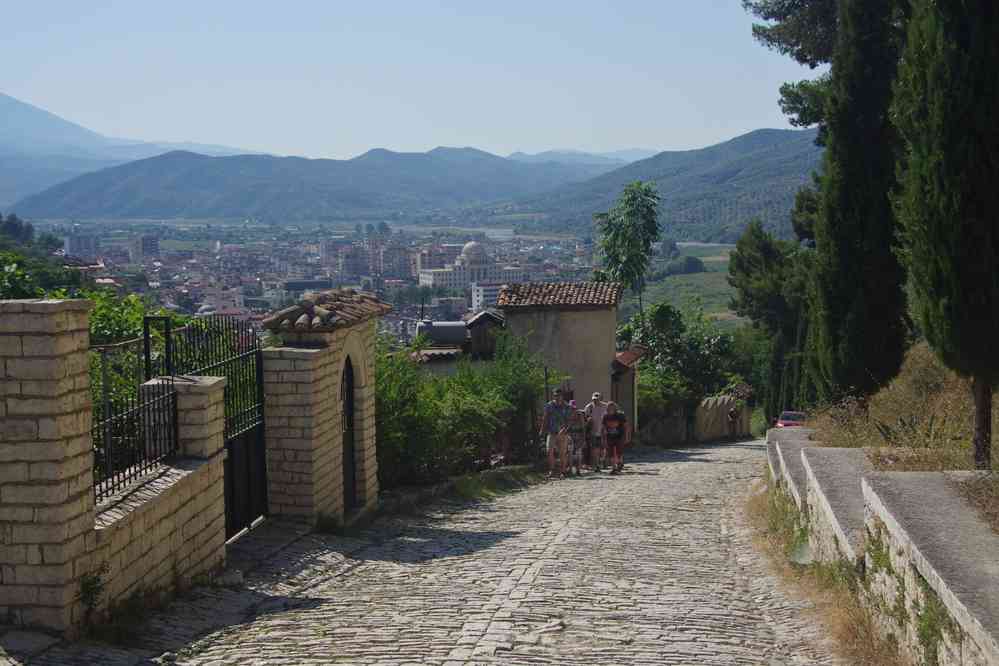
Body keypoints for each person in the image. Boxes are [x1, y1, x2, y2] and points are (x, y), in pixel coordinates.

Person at [539, 388, 572, 478]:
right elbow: (545, 418)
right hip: (552, 432)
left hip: (563, 433)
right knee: (549, 450)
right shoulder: (549, 405)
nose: (557, 397)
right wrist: (542, 429)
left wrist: (565, 429)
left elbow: (569, 421)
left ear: (562, 396)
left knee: (562, 453)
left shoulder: (567, 406)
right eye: (555, 395)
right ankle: (552, 470)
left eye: (559, 395)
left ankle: (563, 471)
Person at [602, 401, 630, 474]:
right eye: (609, 407)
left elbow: (626, 426)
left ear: (615, 408)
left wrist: (626, 437)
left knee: (619, 452)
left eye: (612, 407)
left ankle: (620, 463)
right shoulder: (605, 416)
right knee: (610, 453)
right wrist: (604, 438)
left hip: (620, 436)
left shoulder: (620, 415)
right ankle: (614, 468)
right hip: (610, 436)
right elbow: (604, 427)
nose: (610, 408)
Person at [584, 392, 608, 471]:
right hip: (593, 431)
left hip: (604, 431)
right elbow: (585, 418)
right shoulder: (589, 407)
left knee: (603, 448)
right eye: (594, 399)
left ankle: (602, 461)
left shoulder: (605, 406)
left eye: (597, 399)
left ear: (601, 399)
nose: (595, 401)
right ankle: (597, 465)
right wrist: (588, 420)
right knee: (595, 449)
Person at [566, 400, 587, 476]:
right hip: (570, 436)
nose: (572, 409)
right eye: (571, 408)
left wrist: (583, 438)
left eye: (573, 408)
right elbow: (566, 427)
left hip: (578, 436)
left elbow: (583, 428)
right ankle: (571, 469)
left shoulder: (580, 415)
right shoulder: (567, 415)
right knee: (570, 453)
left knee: (578, 453)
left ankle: (578, 470)